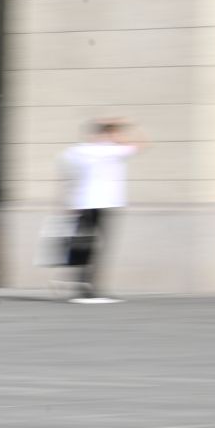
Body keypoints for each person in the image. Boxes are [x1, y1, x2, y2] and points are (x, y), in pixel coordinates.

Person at [60, 118, 144, 303]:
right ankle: (88, 286)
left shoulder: (76, 151)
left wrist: (67, 202)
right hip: (104, 203)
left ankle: (83, 284)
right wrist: (125, 131)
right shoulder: (112, 150)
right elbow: (140, 145)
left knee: (85, 244)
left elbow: (67, 178)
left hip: (83, 203)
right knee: (98, 245)